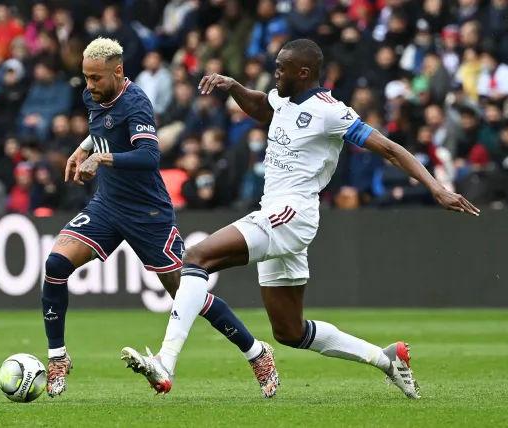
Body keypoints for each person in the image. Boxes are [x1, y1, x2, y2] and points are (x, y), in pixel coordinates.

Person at [121, 39, 480, 400]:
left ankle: (166, 362)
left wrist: (437, 188)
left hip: (291, 213)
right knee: (290, 332)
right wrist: (234, 87)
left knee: (196, 258)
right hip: (277, 213)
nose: (275, 73)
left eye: (281, 68)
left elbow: (390, 149)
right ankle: (387, 360)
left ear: (304, 72)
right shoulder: (283, 98)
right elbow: (264, 108)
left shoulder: (331, 111)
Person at [42, 37, 274, 398]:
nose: (89, 86)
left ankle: (256, 352)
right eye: (85, 78)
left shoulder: (136, 103)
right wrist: (83, 148)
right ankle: (58, 357)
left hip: (148, 213)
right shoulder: (94, 95)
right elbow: (101, 127)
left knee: (188, 293)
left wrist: (103, 159)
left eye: (96, 78)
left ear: (118, 72)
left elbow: (150, 156)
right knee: (56, 264)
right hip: (107, 205)